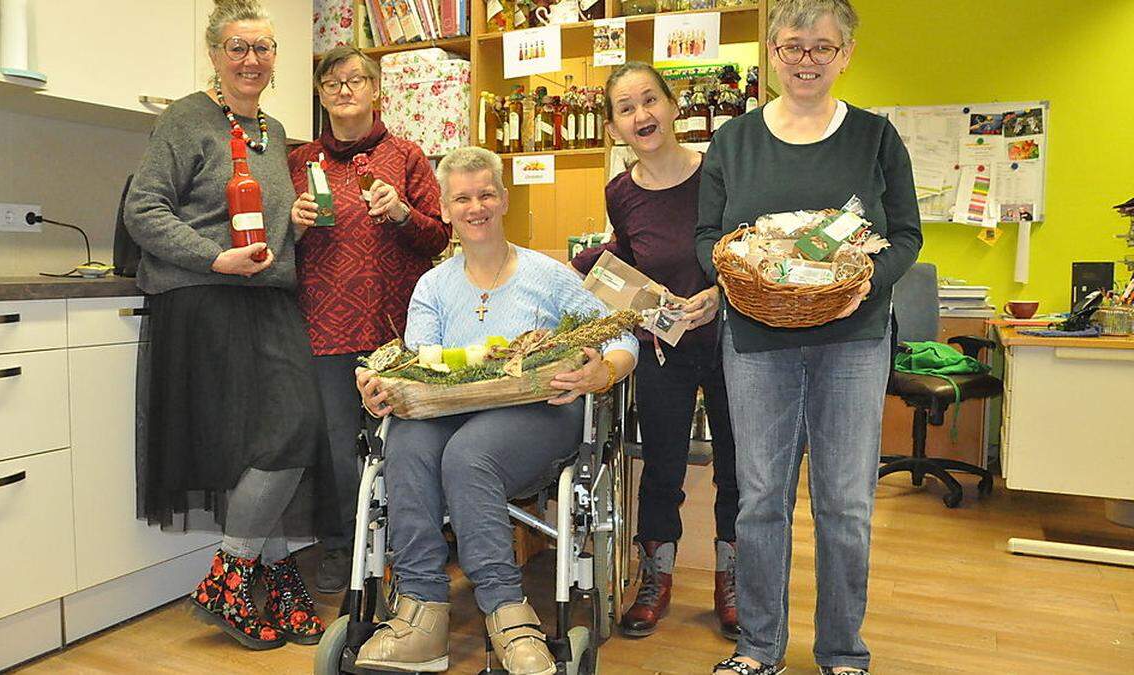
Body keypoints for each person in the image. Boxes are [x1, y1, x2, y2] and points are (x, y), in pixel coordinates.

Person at [694, 1, 922, 673]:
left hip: (853, 339)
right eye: (793, 47)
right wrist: (743, 268)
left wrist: (861, 281)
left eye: (823, 48)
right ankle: (759, 647)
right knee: (761, 496)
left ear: (846, 54)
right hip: (756, 342)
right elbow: (707, 237)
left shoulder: (877, 139)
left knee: (845, 503)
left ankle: (843, 651)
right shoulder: (733, 142)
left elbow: (906, 235)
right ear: (771, 51)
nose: (806, 61)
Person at [352, 146, 638, 675]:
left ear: (503, 198)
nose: (475, 206)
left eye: (485, 194)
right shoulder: (433, 286)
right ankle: (421, 613)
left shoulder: (546, 275)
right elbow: (417, 366)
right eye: (462, 197)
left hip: (542, 410)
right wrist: (378, 383)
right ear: (443, 208)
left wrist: (603, 372)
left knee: (468, 455)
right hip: (451, 412)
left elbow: (622, 335)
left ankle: (508, 613)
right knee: (407, 443)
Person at [124, 0, 326, 650]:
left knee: (288, 431)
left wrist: (288, 227)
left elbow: (258, 225)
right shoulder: (187, 117)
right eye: (238, 47)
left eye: (263, 48)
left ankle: (243, 573)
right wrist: (215, 255)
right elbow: (143, 209)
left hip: (262, 297)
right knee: (266, 441)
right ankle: (253, 576)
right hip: (208, 298)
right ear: (214, 54)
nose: (251, 60)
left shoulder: (272, 125)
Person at [571, 61, 739, 641]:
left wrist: (718, 294)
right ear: (614, 126)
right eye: (625, 108)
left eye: (650, 100)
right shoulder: (620, 192)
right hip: (664, 351)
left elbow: (747, 253)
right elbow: (628, 268)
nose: (641, 115)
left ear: (672, 106)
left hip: (730, 343)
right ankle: (657, 577)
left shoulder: (719, 172)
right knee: (662, 466)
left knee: (737, 468)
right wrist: (638, 295)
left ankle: (732, 578)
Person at [288, 45, 449, 595]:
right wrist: (295, 225)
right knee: (337, 447)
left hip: (395, 330)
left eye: (355, 79)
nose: (344, 90)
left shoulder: (407, 156)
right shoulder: (300, 162)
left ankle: (409, 550)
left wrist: (404, 213)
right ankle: (345, 548)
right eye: (331, 82)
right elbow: (270, 247)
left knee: (401, 444)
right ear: (320, 94)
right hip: (324, 328)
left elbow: (438, 239)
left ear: (376, 89)